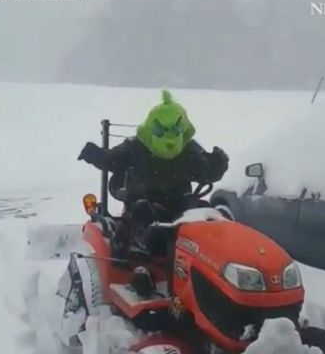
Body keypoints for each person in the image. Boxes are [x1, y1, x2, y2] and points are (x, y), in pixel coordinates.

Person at [78, 91, 229, 296]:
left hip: (180, 201)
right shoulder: (136, 146)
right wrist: (95, 154)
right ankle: (143, 266)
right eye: (162, 130)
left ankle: (215, 262)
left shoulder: (188, 148)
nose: (169, 137)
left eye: (174, 130)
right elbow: (112, 160)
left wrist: (217, 164)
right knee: (143, 214)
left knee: (205, 211)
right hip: (143, 201)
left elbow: (206, 172)